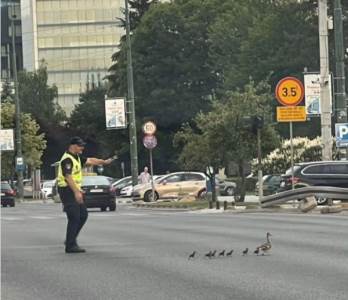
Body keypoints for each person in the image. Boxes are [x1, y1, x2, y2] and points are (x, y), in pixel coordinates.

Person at [57, 136, 113, 253]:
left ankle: (70, 240)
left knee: (83, 215)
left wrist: (103, 162)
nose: (82, 148)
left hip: (74, 190)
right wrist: (77, 192)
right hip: (67, 190)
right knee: (74, 217)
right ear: (73, 146)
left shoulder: (76, 157)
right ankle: (70, 245)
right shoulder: (67, 159)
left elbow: (91, 160)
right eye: (80, 146)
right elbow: (68, 177)